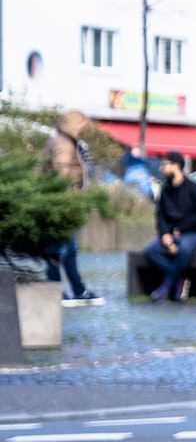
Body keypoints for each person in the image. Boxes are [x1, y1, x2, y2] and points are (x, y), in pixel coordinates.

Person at [46, 109, 102, 306]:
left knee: (69, 250)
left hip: (65, 204)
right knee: (59, 249)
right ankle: (58, 290)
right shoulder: (63, 144)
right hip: (63, 205)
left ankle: (76, 290)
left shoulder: (66, 141)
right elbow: (61, 175)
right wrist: (67, 203)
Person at [143, 151, 196, 302]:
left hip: (193, 233)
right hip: (171, 234)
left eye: (164, 165)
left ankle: (165, 286)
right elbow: (160, 216)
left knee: (184, 250)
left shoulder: (193, 188)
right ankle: (178, 278)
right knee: (151, 251)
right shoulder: (166, 190)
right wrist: (165, 235)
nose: (161, 169)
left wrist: (181, 228)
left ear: (176, 166)